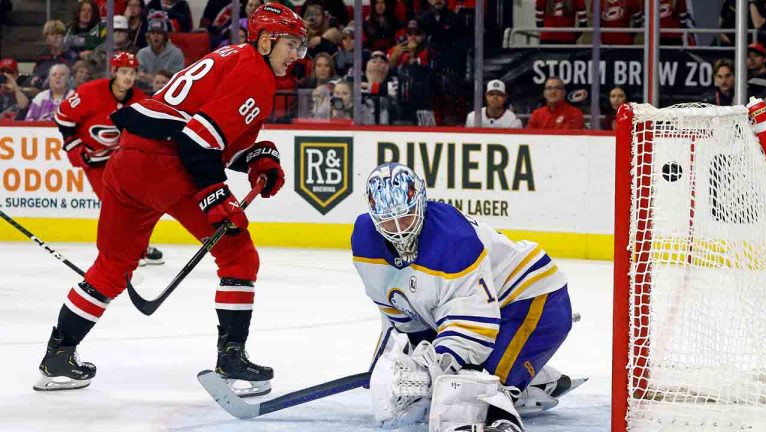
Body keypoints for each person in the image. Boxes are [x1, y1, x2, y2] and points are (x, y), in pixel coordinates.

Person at [33, 3, 305, 393]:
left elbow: (208, 135)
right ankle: (231, 359)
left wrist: (255, 159)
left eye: (300, 46)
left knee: (111, 266)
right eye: (291, 44)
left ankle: (56, 357)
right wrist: (216, 197)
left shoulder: (229, 56)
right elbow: (197, 140)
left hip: (126, 161)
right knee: (238, 255)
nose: (297, 55)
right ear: (265, 41)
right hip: (167, 165)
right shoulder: (255, 73)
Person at [352, 163, 573, 432]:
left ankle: (504, 402)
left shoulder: (454, 240)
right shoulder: (365, 240)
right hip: (483, 309)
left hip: (531, 302)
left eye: (406, 218)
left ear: (421, 202)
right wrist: (391, 365)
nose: (399, 230)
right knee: (437, 392)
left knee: (468, 391)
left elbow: (475, 332)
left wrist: (429, 370)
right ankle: (531, 380)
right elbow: (404, 317)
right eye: (388, 220)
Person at [53, 52, 164, 267]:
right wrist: (73, 145)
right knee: (114, 204)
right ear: (114, 73)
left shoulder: (140, 100)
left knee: (137, 203)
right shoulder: (89, 92)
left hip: (122, 160)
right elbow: (63, 118)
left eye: (131, 73)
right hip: (96, 161)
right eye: (123, 72)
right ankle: (123, 250)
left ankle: (138, 247)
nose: (128, 77)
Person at [136, 18, 185, 86]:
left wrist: (151, 78)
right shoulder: (142, 54)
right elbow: (139, 76)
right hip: (146, 91)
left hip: (169, 90)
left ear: (165, 36)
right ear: (148, 36)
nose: (156, 36)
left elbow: (178, 79)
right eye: (153, 33)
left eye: (159, 33)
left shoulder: (176, 53)